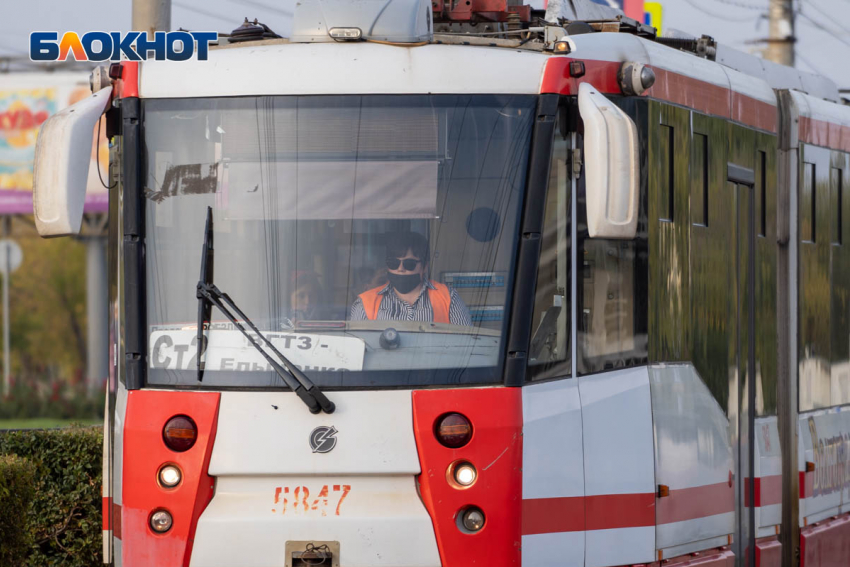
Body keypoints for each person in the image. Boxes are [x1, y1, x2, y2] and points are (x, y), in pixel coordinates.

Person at [350, 232, 472, 325]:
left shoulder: (448, 297)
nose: (400, 268)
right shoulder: (365, 303)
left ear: (424, 266)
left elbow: (466, 344)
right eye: (393, 263)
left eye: (409, 264)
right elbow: (356, 350)